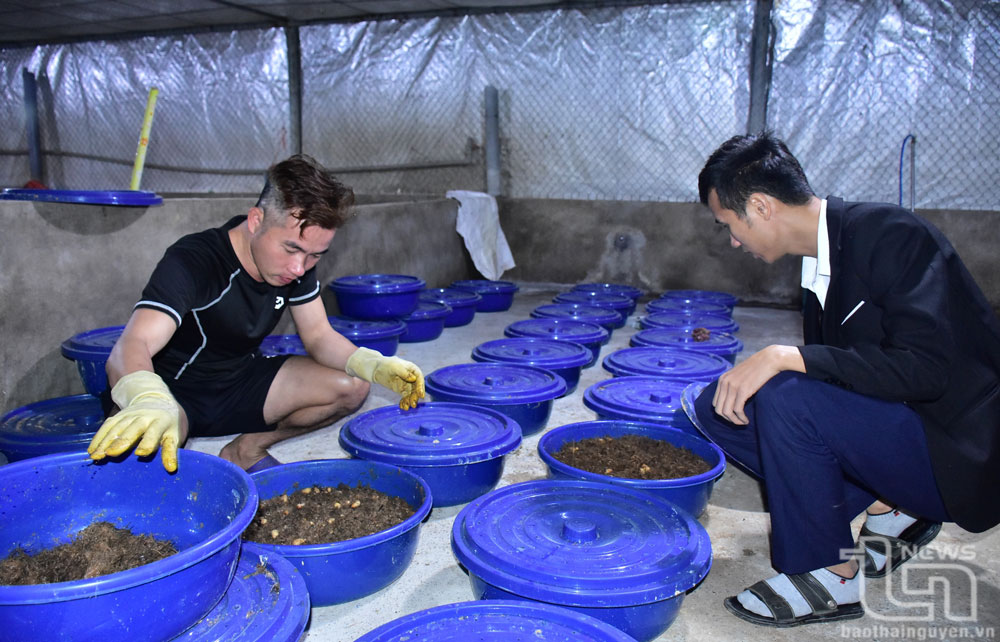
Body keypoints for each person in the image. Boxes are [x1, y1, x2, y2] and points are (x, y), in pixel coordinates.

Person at [691, 131, 1000, 627]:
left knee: (789, 396)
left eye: (728, 224)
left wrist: (789, 357)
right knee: (717, 407)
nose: (732, 240)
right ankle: (890, 504)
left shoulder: (893, 235)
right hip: (901, 431)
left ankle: (828, 575)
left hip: (954, 453)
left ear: (761, 206)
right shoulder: (821, 265)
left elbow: (928, 369)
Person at [87, 155, 424, 473]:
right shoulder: (195, 260)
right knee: (144, 474)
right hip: (173, 393)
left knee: (352, 386)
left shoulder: (298, 265)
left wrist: (375, 365)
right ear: (256, 220)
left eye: (315, 255)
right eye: (291, 248)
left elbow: (319, 336)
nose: (299, 267)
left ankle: (246, 450)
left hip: (238, 381)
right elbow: (132, 344)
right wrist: (148, 397)